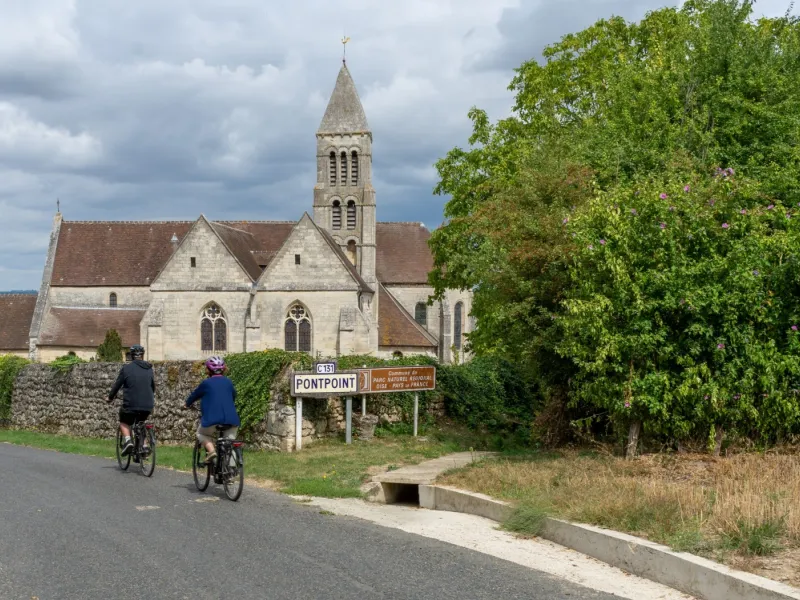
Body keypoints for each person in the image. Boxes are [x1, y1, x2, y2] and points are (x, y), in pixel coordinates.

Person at [185, 356, 240, 465]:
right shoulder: (228, 382)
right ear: (223, 369)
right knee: (229, 443)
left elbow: (194, 396)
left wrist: (187, 404)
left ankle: (211, 451)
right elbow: (234, 396)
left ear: (208, 370)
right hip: (231, 419)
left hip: (212, 419)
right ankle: (230, 473)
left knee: (201, 434)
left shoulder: (206, 383)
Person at [107, 344, 155, 456]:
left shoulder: (126, 369)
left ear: (132, 356)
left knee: (124, 421)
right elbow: (153, 387)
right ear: (142, 356)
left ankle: (128, 441)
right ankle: (144, 446)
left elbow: (116, 386)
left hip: (131, 404)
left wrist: (109, 397)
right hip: (148, 404)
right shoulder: (149, 369)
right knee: (141, 423)